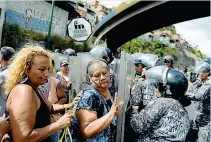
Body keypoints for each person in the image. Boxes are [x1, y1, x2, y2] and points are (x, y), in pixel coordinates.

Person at [4, 45, 74, 141]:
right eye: (41, 69)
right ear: (26, 69)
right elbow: (22, 139)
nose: (46, 74)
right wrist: (58, 125)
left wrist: (69, 105)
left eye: (48, 69)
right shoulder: (24, 91)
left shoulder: (35, 88)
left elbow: (50, 107)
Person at [130, 66, 190, 142]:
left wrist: (134, 110)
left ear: (167, 88)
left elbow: (137, 126)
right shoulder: (183, 111)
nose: (157, 87)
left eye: (159, 85)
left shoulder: (161, 103)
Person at [76, 59, 118, 142]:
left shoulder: (110, 90)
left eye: (104, 73)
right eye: (97, 75)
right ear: (90, 77)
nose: (102, 78)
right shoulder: (89, 96)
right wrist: (111, 114)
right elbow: (87, 131)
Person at [186, 64, 210, 142]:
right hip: (197, 115)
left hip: (207, 118)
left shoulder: (209, 83)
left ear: (209, 73)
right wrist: (197, 82)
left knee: (203, 138)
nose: (201, 73)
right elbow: (190, 90)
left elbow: (198, 96)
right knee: (192, 137)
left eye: (204, 72)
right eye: (200, 71)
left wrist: (184, 94)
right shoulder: (201, 81)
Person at [0, 47, 15, 141]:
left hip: (2, 117)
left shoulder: (3, 75)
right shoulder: (18, 74)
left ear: (1, 57)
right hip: (12, 117)